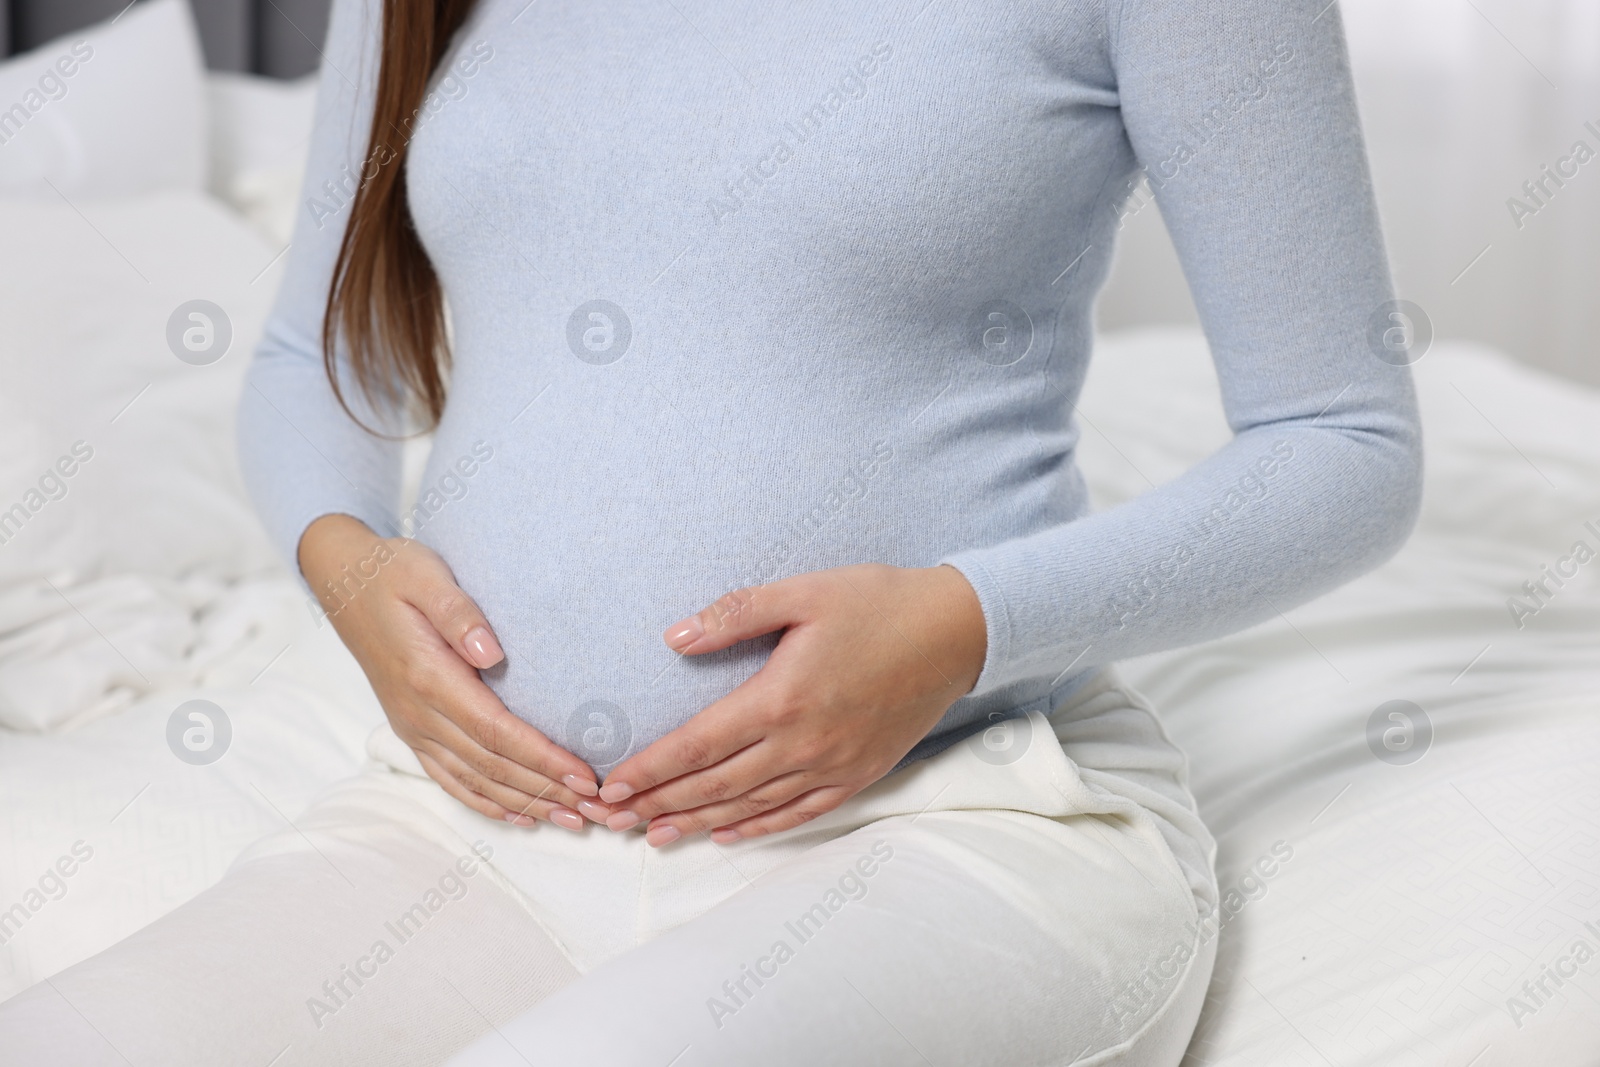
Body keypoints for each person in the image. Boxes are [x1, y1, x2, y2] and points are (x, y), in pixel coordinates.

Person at [0, 0, 1421, 1063]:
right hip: (474, 827)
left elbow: (1341, 444)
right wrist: (351, 568)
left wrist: (957, 622)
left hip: (951, 818)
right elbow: (317, 364)